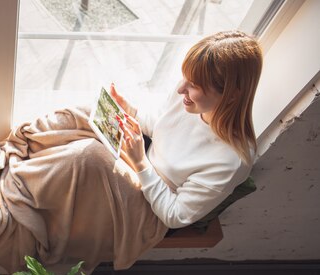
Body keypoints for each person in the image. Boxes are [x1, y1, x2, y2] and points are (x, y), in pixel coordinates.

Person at [111, 30, 263, 229]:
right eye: (184, 77)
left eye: (194, 85)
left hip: (152, 207)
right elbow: (162, 124)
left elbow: (175, 216)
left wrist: (140, 163)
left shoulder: (230, 160)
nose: (181, 89)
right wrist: (130, 111)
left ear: (231, 95)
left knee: (87, 159)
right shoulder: (191, 101)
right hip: (142, 165)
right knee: (83, 116)